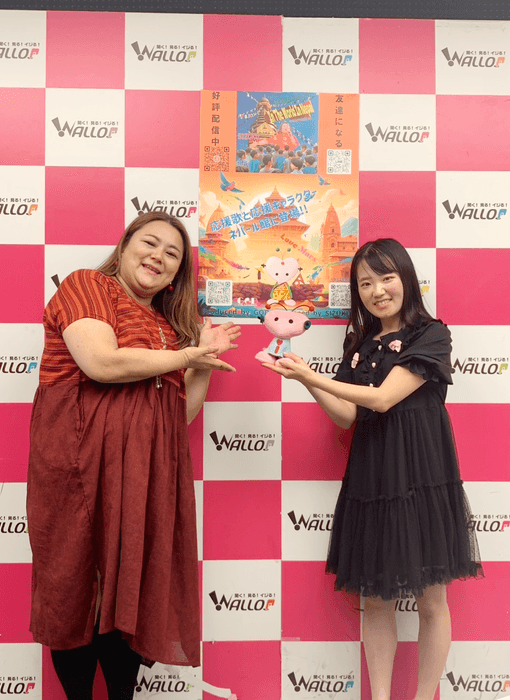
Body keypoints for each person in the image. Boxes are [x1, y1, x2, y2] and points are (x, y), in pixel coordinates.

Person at [27, 211, 241, 700]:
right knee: (76, 588)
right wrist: (187, 356)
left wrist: (204, 361)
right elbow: (101, 362)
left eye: (173, 254)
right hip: (77, 470)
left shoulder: (167, 328)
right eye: (150, 243)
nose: (159, 257)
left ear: (176, 275)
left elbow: (177, 416)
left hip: (144, 478)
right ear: (124, 247)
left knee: (131, 593)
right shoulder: (88, 285)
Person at [262, 238, 482, 700]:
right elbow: (347, 415)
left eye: (386, 277)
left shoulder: (431, 334)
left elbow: (383, 399)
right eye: (365, 283)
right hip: (373, 475)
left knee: (431, 599)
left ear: (406, 279)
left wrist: (312, 376)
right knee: (375, 598)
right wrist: (304, 378)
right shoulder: (360, 344)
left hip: (422, 475)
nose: (377, 290)